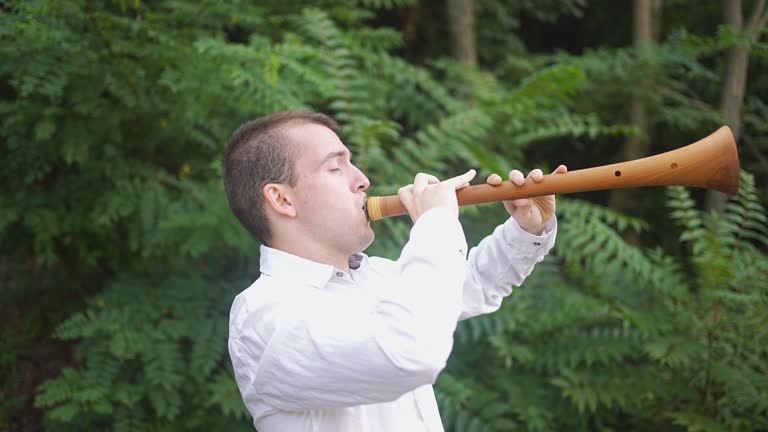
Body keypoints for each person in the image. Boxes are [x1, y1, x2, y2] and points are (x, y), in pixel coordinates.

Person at [222, 111, 567, 431]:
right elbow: (410, 353)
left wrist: (525, 230)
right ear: (282, 199)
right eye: (335, 167)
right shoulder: (265, 315)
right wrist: (436, 221)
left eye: (352, 163)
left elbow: (471, 283)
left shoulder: (376, 277)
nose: (362, 180)